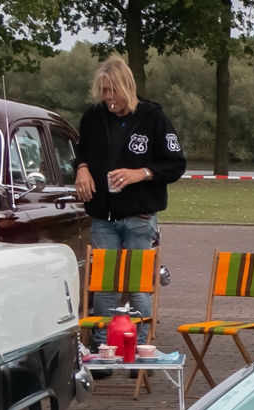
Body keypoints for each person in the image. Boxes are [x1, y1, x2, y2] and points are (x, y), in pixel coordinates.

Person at [73, 54, 186, 347]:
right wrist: (82, 169)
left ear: (127, 87)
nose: (109, 99)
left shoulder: (153, 117)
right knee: (105, 286)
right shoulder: (93, 117)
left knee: (137, 287)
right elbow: (80, 152)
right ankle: (104, 347)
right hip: (103, 218)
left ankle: (139, 347)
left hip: (139, 216)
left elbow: (176, 164)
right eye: (104, 92)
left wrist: (142, 173)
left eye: (113, 91)